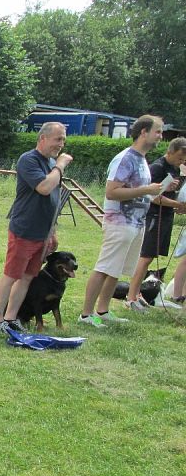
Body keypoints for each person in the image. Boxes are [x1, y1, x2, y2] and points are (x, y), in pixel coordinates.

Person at [78, 115, 164, 327]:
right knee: (105, 267)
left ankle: (103, 310)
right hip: (119, 222)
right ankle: (86, 314)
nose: (161, 136)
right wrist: (146, 189)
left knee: (117, 270)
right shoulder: (125, 158)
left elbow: (139, 191)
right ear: (143, 132)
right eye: (158, 131)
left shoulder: (142, 159)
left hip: (136, 223)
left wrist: (158, 190)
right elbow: (111, 192)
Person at [0, 122, 72, 333]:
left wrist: (52, 231)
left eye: (63, 139)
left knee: (28, 277)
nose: (61, 144)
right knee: (11, 275)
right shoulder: (29, 160)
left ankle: (11, 318)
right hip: (24, 229)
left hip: (42, 233)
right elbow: (45, 188)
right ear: (42, 138)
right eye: (58, 139)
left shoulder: (51, 163)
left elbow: (54, 199)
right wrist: (60, 166)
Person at [124, 137, 186, 310]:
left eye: (184, 160)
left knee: (150, 258)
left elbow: (165, 190)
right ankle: (131, 297)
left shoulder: (173, 168)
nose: (181, 162)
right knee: (145, 258)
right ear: (171, 151)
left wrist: (174, 198)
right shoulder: (157, 168)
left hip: (166, 216)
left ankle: (138, 294)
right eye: (180, 158)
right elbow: (152, 196)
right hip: (153, 217)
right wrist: (177, 205)